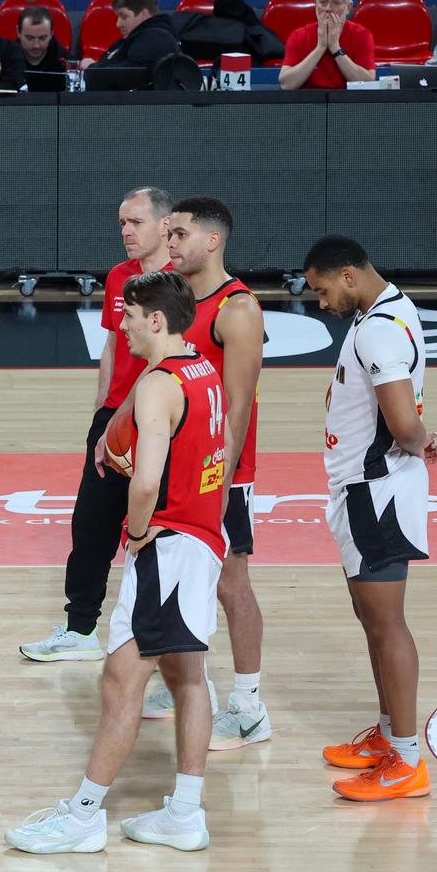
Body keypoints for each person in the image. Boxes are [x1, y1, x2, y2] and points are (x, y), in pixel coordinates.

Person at [5, 271, 227, 855]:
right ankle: (184, 813)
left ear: (156, 320)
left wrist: (134, 531)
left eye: (128, 315)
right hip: (202, 542)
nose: (120, 324)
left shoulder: (159, 384)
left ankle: (82, 816)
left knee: (120, 681)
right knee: (187, 676)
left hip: (169, 546)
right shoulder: (204, 369)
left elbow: (148, 477)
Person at [304, 236, 436, 801]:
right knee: (371, 617)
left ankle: (407, 762)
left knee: (387, 624)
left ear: (351, 275)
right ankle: (388, 738)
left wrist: (421, 441)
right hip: (365, 489)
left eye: (323, 288)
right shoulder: (387, 311)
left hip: (375, 493)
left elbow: (403, 423)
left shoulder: (379, 328)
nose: (321, 301)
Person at [22, 187, 173, 663]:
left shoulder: (182, 283)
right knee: (91, 526)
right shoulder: (118, 277)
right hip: (114, 419)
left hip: (160, 421)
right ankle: (80, 629)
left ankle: (162, 642)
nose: (126, 231)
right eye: (122, 223)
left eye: (136, 222)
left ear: (165, 227)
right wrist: (103, 413)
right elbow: (112, 346)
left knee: (158, 532)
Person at [145, 197, 269, 752]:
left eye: (179, 235)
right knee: (176, 575)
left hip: (221, 474)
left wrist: (221, 479)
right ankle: (181, 685)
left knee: (229, 582)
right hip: (174, 469)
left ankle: (248, 706)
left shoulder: (237, 309)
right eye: (167, 235)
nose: (168, 244)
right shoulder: (175, 301)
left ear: (212, 241)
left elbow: (239, 405)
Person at [278, 0, 377, 90]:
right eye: (323, 2)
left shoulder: (362, 36)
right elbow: (286, 84)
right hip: (308, 103)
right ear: (316, 4)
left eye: (336, 3)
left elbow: (368, 84)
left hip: (347, 103)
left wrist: (335, 48)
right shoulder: (299, 36)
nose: (328, 8)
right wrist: (321, 47)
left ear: (348, 7)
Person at [85, 0, 181, 85]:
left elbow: (132, 75)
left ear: (144, 13)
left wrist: (92, 68)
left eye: (124, 17)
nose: (118, 24)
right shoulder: (140, 36)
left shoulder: (154, 38)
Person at [18, 5, 71, 77]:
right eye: (30, 38)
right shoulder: (7, 59)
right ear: (18, 32)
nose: (36, 45)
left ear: (51, 33)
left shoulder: (64, 61)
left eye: (42, 38)